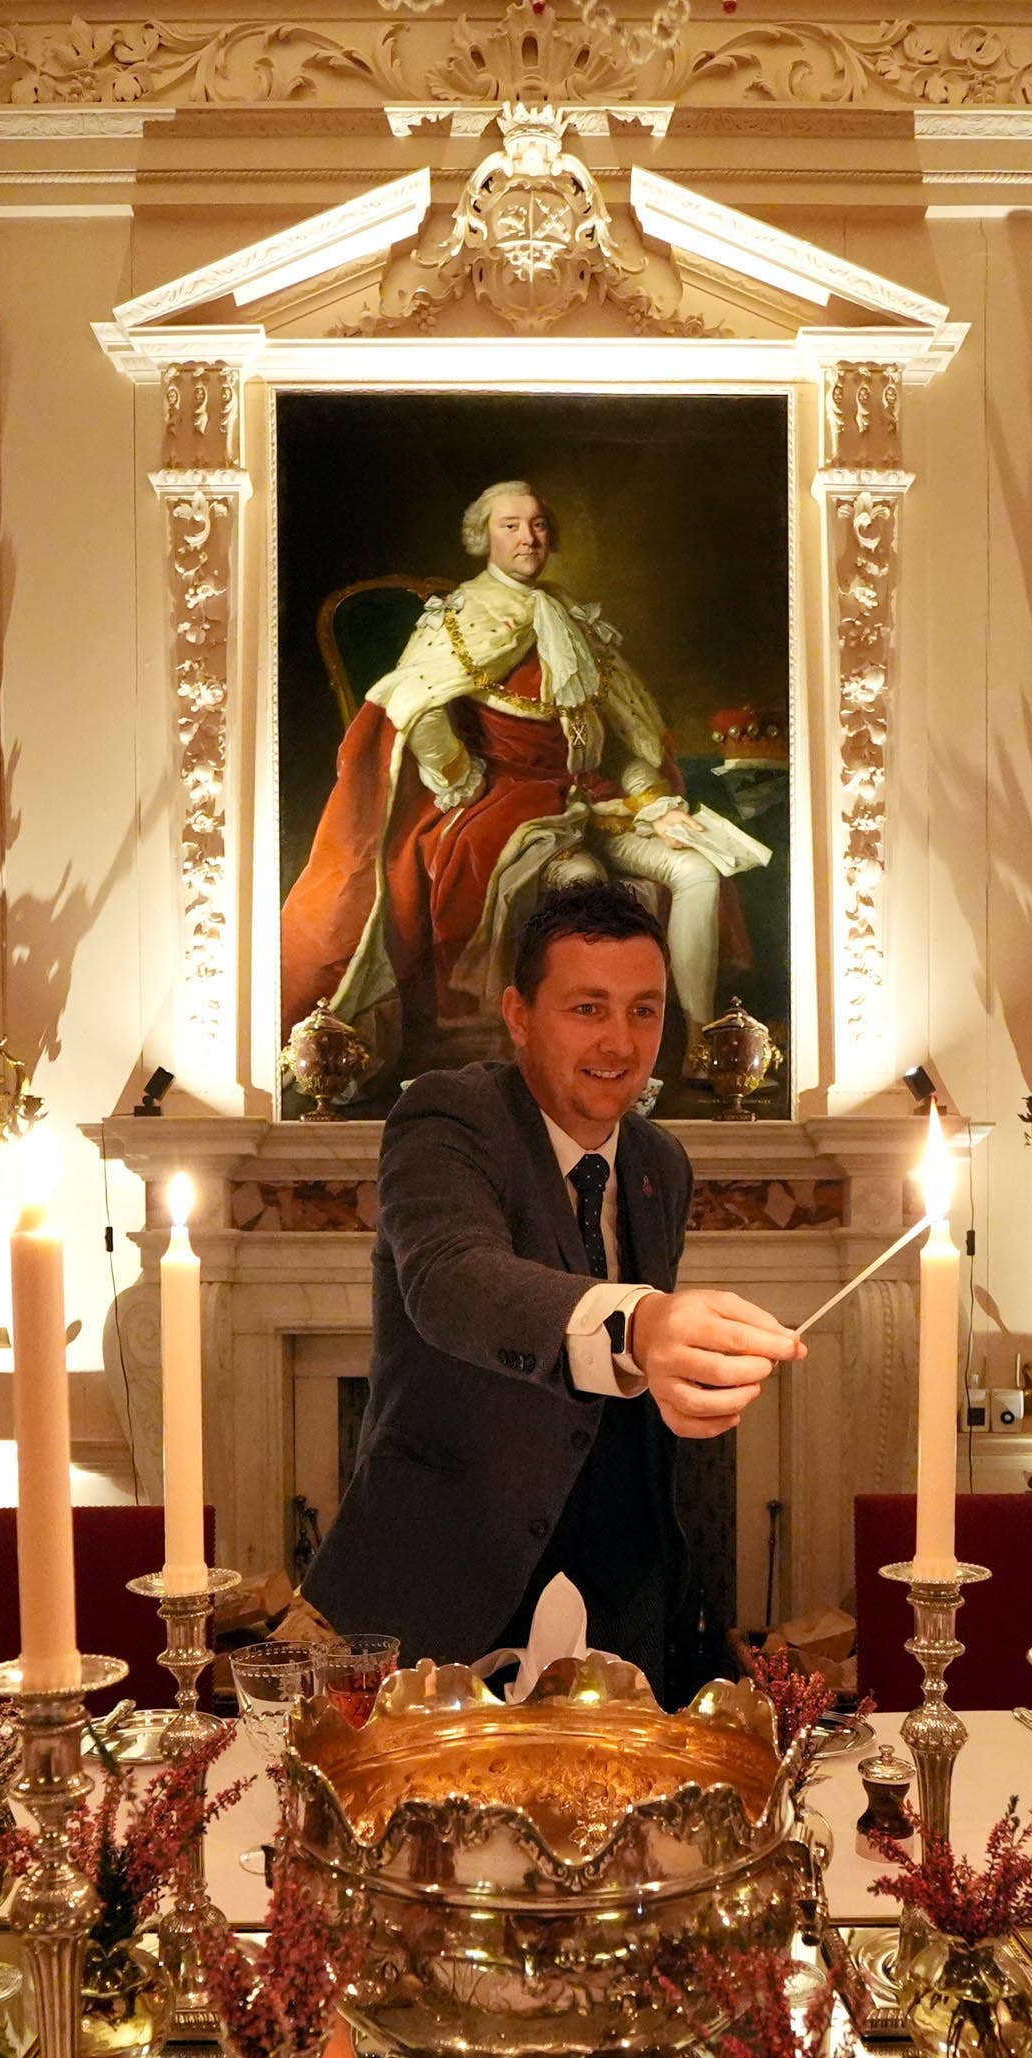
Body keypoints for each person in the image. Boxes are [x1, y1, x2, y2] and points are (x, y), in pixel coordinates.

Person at [299, 883, 803, 1681]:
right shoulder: (447, 1117)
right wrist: (638, 1323)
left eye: (645, 1009)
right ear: (518, 1014)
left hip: (620, 1618)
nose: (621, 1041)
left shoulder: (660, 1163)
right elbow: (452, 1280)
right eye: (588, 1008)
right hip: (440, 1602)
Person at [276, 479, 771, 1079]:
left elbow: (630, 736)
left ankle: (694, 1043)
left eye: (536, 524)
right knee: (583, 880)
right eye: (510, 525)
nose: (528, 537)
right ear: (483, 537)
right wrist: (460, 774)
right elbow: (413, 702)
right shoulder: (460, 615)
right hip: (505, 805)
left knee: (697, 871)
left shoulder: (571, 617)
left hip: (590, 801)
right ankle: (567, 1049)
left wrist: (653, 800)